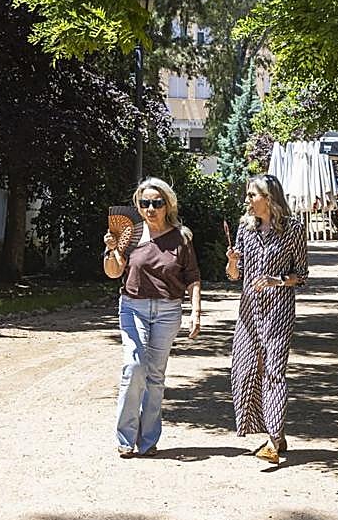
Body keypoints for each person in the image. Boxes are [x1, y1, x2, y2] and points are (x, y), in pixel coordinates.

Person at [102, 177, 202, 458]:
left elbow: (193, 277)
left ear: (167, 205)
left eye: (156, 203)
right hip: (133, 307)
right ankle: (125, 438)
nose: (150, 208)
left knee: (155, 376)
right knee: (134, 367)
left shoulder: (182, 237)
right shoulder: (130, 235)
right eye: (144, 203)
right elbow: (113, 272)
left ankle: (147, 441)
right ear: (138, 205)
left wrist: (195, 311)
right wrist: (112, 249)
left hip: (168, 311)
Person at [225, 174, 308, 464]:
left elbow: (303, 276)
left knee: (273, 371)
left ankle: (273, 439)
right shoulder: (245, 228)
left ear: (269, 198)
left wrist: (277, 280)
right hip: (249, 311)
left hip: (278, 309)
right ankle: (277, 433)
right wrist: (233, 261)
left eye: (252, 195)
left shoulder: (293, 229)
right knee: (245, 368)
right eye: (247, 195)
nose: (247, 200)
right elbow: (235, 276)